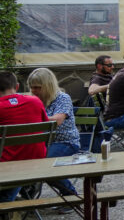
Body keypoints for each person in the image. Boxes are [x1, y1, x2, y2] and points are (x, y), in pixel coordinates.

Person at [27, 68, 79, 196]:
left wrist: (32, 119)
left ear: (48, 85)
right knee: (19, 163)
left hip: (65, 142)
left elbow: (57, 120)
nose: (33, 90)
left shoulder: (62, 98)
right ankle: (27, 194)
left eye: (37, 87)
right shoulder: (33, 100)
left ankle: (71, 195)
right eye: (32, 87)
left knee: (46, 168)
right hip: (42, 142)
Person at [0, 71, 50, 202]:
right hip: (37, 161)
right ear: (17, 86)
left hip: (8, 166)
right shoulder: (35, 101)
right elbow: (44, 126)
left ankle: (6, 202)